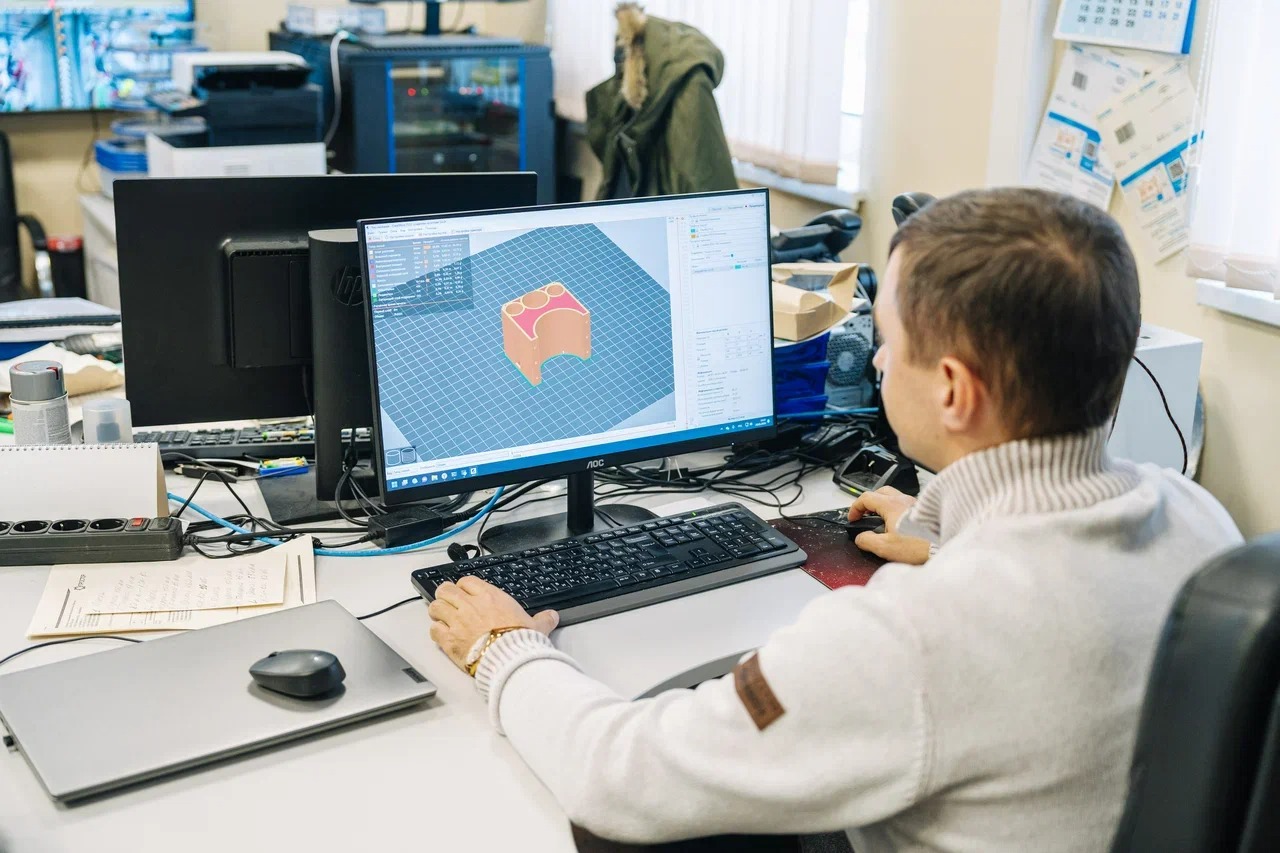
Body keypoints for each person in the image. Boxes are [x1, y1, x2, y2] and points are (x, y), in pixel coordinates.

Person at [425, 188, 1243, 852]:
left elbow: (618, 776)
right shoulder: (1200, 523)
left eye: (887, 339)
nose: (876, 360)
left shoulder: (911, 639)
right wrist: (947, 530)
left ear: (953, 389)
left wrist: (505, 650)